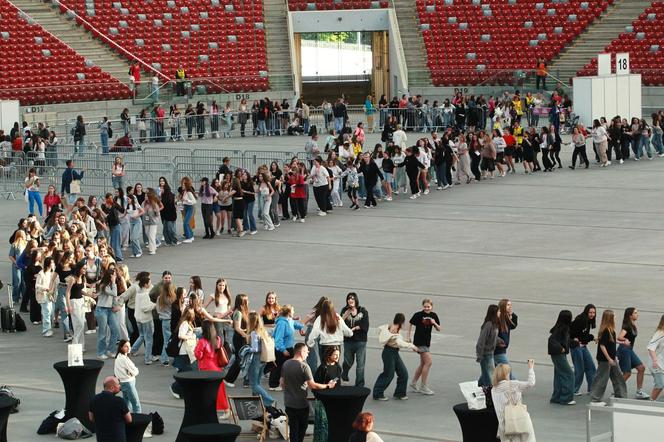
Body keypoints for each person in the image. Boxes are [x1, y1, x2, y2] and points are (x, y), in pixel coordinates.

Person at [280, 342, 336, 442]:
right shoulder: (304, 367)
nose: (308, 353)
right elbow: (313, 385)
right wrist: (328, 385)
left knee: (293, 431)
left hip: (289, 403)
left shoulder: (285, 364)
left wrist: (289, 390)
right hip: (301, 405)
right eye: (306, 351)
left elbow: (282, 382)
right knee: (301, 431)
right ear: (301, 352)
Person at [373, 313, 420, 400]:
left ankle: (400, 393)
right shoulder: (394, 329)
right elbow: (399, 343)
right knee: (388, 374)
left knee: (403, 373)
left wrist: (406, 341)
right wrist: (413, 346)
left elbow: (396, 340)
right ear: (402, 322)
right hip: (389, 353)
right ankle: (377, 393)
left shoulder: (391, 326)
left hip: (392, 352)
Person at [491, 361, 536, 442]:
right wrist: (531, 368)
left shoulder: (494, 389)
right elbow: (531, 383)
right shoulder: (513, 384)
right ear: (505, 374)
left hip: (504, 424)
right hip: (519, 419)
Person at [194, 321, 231, 419]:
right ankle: (225, 409)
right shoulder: (217, 339)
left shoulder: (202, 342)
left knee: (206, 391)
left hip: (206, 369)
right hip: (216, 368)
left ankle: (207, 410)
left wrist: (197, 346)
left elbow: (198, 355)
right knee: (219, 390)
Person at [590, 310, 627, 404]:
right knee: (602, 378)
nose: (615, 317)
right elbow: (602, 345)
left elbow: (611, 342)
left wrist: (621, 342)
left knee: (618, 376)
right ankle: (595, 399)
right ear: (610, 318)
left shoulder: (611, 330)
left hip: (611, 358)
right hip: (605, 360)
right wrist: (609, 359)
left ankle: (621, 396)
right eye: (614, 316)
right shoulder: (606, 330)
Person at [407, 298, 440, 395]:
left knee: (423, 364)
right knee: (429, 362)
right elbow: (410, 323)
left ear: (431, 306)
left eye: (428, 307)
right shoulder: (418, 315)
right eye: (425, 306)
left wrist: (434, 323)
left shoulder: (433, 316)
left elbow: (439, 328)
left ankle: (413, 383)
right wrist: (408, 336)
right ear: (423, 306)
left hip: (426, 342)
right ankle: (423, 386)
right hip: (419, 341)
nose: (426, 308)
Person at [617, 307, 650, 399]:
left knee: (641, 368)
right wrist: (625, 339)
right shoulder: (627, 326)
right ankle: (617, 390)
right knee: (627, 373)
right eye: (635, 313)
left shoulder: (632, 324)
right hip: (624, 350)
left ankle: (639, 392)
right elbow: (619, 337)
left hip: (629, 350)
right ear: (630, 315)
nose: (637, 314)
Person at [271, 304, 305, 390]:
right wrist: (283, 350)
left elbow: (296, 324)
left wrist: (301, 327)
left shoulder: (289, 320)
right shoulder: (282, 323)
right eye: (293, 310)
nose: (294, 312)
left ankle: (278, 383)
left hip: (289, 348)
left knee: (285, 366)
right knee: (280, 367)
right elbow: (278, 339)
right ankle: (276, 385)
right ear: (289, 312)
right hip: (282, 349)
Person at [89, 376, 132, 442]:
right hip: (117, 437)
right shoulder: (119, 401)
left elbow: (91, 418)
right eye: (118, 384)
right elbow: (129, 419)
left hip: (101, 438)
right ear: (112, 387)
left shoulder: (94, 399)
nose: (119, 386)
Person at [313, 345, 342, 442]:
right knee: (323, 423)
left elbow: (338, 381)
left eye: (338, 355)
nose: (337, 357)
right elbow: (315, 385)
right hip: (323, 400)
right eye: (335, 355)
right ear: (329, 355)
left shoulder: (338, 367)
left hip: (335, 399)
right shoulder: (323, 368)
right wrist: (326, 386)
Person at [246, 312, 275, 407]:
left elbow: (255, 349)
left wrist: (247, 349)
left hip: (255, 359)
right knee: (258, 382)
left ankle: (269, 399)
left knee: (254, 384)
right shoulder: (263, 331)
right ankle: (257, 401)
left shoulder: (254, 333)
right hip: (263, 359)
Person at [340, 292, 369, 387]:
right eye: (348, 298)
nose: (350, 300)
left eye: (352, 298)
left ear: (356, 300)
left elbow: (365, 325)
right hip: (348, 341)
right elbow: (339, 324)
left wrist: (355, 328)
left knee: (360, 365)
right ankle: (344, 374)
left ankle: (359, 385)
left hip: (360, 342)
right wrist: (345, 315)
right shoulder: (344, 310)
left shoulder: (363, 311)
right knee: (348, 362)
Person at [548, 310, 576, 405]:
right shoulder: (563, 328)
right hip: (559, 355)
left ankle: (556, 397)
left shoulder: (560, 327)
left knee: (559, 375)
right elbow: (552, 340)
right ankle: (566, 398)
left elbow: (564, 341)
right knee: (569, 374)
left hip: (556, 355)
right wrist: (561, 349)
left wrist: (574, 342)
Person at [570, 304, 597, 396]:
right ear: (586, 312)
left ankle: (591, 388)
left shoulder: (588, 321)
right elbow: (571, 331)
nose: (592, 314)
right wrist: (573, 339)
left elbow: (584, 335)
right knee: (579, 369)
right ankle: (573, 389)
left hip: (583, 346)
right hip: (576, 347)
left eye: (593, 313)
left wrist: (592, 338)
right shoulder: (581, 319)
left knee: (591, 367)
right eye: (590, 312)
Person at [129, 272, 156, 365]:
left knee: (142, 335)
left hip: (138, 318)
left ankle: (132, 350)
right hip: (145, 319)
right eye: (149, 282)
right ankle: (148, 358)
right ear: (145, 284)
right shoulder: (145, 295)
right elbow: (145, 308)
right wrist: (154, 305)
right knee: (149, 339)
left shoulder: (139, 293)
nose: (150, 283)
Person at [476, 304, 500, 387]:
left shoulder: (495, 324)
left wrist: (499, 341)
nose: (500, 313)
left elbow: (493, 337)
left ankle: (480, 385)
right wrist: (479, 355)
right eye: (498, 311)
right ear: (494, 313)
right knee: (491, 373)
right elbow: (481, 341)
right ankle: (488, 389)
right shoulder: (488, 325)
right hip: (486, 354)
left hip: (491, 352)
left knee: (486, 371)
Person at [114, 340, 141, 413]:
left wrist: (130, 372)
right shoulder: (125, 359)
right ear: (121, 347)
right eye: (126, 346)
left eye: (129, 346)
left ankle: (126, 420)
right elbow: (135, 371)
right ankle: (138, 421)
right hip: (128, 383)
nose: (128, 348)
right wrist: (133, 372)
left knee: (127, 404)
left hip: (122, 383)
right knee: (136, 405)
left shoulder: (118, 357)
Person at [494, 299, 518, 377]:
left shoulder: (505, 318)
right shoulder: (498, 318)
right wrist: (500, 342)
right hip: (497, 350)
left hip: (502, 350)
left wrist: (512, 314)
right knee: (508, 369)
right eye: (508, 305)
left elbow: (513, 326)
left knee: (494, 370)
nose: (510, 306)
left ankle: (484, 383)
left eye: (510, 305)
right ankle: (514, 384)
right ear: (503, 306)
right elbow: (492, 333)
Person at [35, 256, 57, 337]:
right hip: (44, 295)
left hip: (51, 295)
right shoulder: (41, 273)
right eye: (52, 262)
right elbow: (37, 285)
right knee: (46, 312)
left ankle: (48, 328)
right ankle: (46, 330)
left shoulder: (53, 273)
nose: (53, 264)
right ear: (48, 264)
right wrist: (46, 288)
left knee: (51, 312)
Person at [646, 314, 664, 401]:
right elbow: (650, 347)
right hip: (657, 364)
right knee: (660, 384)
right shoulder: (660, 333)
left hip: (662, 363)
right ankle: (650, 403)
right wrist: (655, 361)